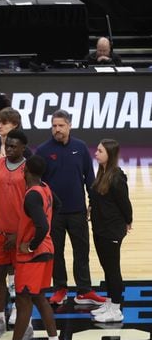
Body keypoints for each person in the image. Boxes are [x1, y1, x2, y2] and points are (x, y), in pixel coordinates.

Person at [0, 155, 67, 340]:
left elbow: (42, 225)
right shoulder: (45, 188)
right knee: (40, 298)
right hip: (47, 251)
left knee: (24, 302)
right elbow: (57, 206)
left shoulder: (32, 195)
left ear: (25, 172)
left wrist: (30, 244)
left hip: (32, 255)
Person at [36, 109, 106, 305]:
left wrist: (92, 203)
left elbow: (89, 178)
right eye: (54, 126)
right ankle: (60, 288)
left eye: (61, 125)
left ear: (69, 126)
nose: (57, 129)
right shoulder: (42, 150)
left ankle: (84, 290)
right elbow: (37, 182)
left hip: (77, 210)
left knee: (81, 251)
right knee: (56, 252)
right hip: (54, 213)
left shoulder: (81, 147)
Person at [0, 129, 29, 339]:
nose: (8, 149)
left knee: (21, 279)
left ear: (23, 148)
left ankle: (21, 319)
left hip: (21, 234)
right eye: (7, 145)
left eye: (13, 146)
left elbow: (32, 204)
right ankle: (0, 318)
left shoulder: (29, 168)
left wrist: (20, 233)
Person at [89, 139, 133, 322]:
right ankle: (109, 301)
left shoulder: (116, 177)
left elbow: (125, 203)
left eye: (100, 151)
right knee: (107, 267)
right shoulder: (102, 173)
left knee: (113, 269)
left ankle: (116, 309)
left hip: (112, 230)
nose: (96, 153)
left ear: (110, 154)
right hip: (100, 228)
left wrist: (128, 221)